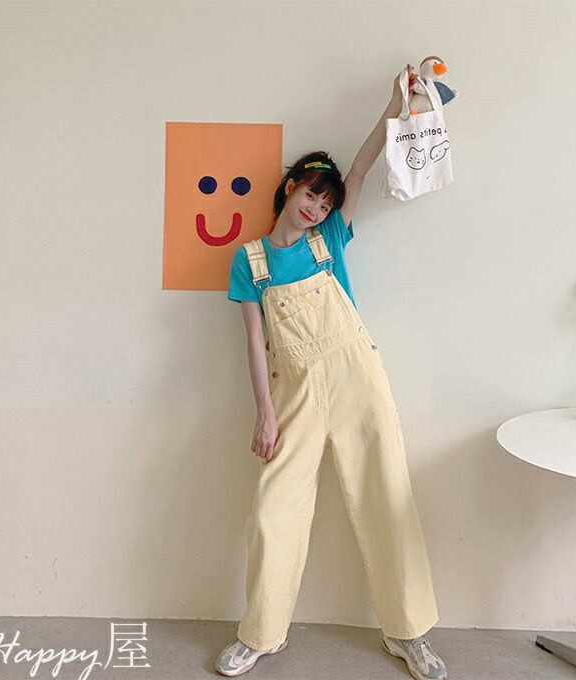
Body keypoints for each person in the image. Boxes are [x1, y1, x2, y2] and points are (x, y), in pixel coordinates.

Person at [215, 65, 447, 680]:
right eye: (311, 195)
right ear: (290, 187)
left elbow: (363, 167)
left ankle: (408, 634)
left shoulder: (332, 241)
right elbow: (255, 343)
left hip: (357, 381)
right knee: (275, 512)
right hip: (292, 395)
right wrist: (265, 413)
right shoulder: (249, 261)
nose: (318, 208)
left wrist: (393, 107)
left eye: (326, 202)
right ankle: (260, 636)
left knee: (385, 495)